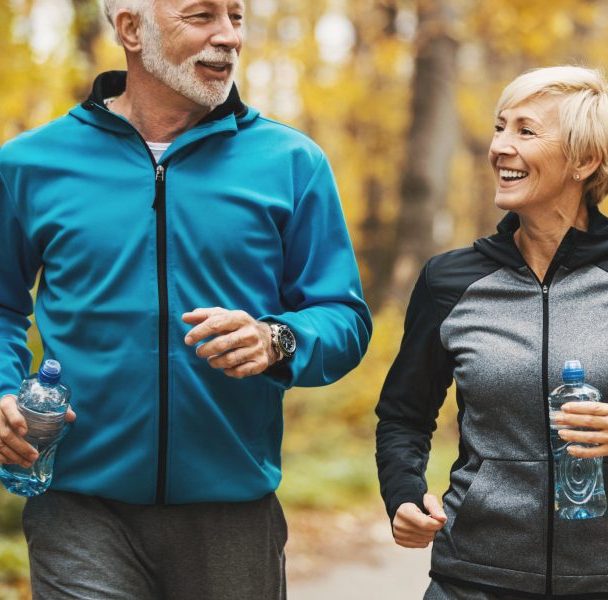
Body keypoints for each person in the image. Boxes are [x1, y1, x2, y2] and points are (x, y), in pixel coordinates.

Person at [0, 0, 372, 597]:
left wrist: (276, 338)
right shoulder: (30, 164)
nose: (228, 37)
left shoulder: (291, 162)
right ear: (130, 30)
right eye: (201, 16)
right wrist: (2, 389)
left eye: (237, 16)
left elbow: (345, 317)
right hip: (78, 506)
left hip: (231, 511)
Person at [375, 65, 608, 599]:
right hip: (470, 578)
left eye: (525, 131)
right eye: (500, 127)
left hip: (607, 580)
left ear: (586, 159)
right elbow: (404, 416)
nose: (500, 146)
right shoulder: (450, 280)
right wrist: (403, 495)